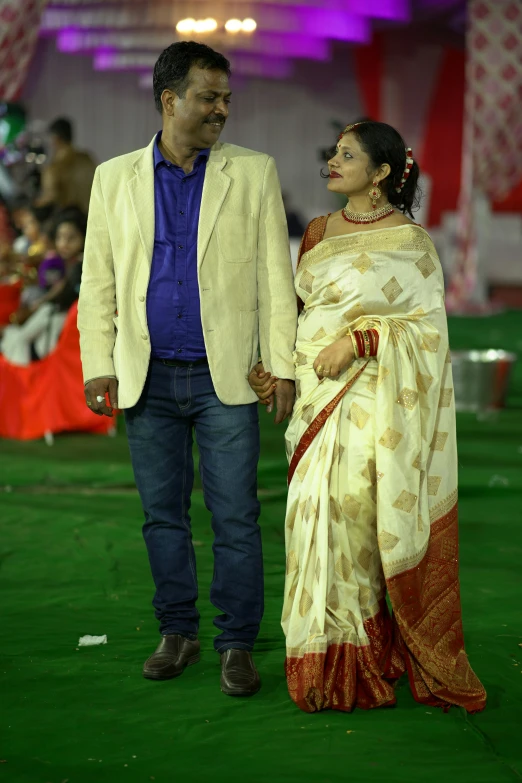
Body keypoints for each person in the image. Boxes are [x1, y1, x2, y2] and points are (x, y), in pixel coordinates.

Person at [77, 42, 297, 697]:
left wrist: (281, 365)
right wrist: (98, 364)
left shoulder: (253, 173)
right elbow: (97, 280)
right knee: (162, 515)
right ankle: (177, 631)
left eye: (226, 98)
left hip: (225, 376)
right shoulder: (114, 178)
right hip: (146, 377)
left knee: (236, 516)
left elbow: (273, 278)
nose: (222, 110)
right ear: (171, 100)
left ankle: (235, 643)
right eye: (210, 97)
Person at [249, 120, 487, 714]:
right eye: (334, 152)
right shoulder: (319, 231)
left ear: (380, 174)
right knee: (310, 517)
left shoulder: (412, 242)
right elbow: (306, 314)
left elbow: (428, 334)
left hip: (374, 400)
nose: (332, 161)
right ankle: (320, 654)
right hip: (315, 397)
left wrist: (364, 339)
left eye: (347, 155)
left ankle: (359, 656)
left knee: (352, 516)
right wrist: (281, 371)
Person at [1, 207, 86, 365]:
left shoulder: (80, 265)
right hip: (56, 313)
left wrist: (35, 307)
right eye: (60, 238)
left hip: (63, 317)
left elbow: (62, 291)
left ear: (84, 238)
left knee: (17, 337)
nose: (64, 244)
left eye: (71, 238)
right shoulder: (62, 262)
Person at [36, 117, 96, 214]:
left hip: (67, 221)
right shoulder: (87, 159)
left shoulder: (55, 167)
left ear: (56, 139)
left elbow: (50, 196)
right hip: (90, 217)